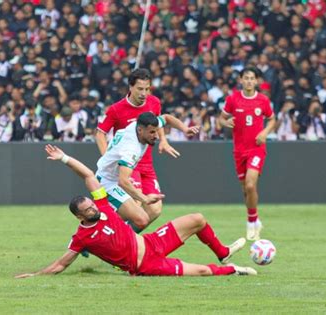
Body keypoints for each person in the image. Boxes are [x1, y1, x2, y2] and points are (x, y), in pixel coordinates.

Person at [15, 144, 254, 278]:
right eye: (88, 210)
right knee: (201, 271)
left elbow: (88, 175)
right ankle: (234, 270)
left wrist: (64, 158)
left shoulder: (103, 206)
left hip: (151, 243)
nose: (93, 209)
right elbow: (60, 265)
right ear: (79, 217)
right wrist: (35, 276)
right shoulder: (82, 237)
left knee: (197, 219)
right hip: (145, 265)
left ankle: (222, 252)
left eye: (91, 204)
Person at [95, 69, 179, 226]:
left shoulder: (154, 102)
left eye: (147, 89)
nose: (144, 93)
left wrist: (163, 140)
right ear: (130, 87)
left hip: (147, 163)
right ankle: (112, 240)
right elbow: (100, 134)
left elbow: (157, 123)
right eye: (140, 89)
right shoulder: (116, 109)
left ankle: (116, 238)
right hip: (128, 164)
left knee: (154, 210)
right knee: (136, 205)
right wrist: (107, 157)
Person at [96, 112, 199, 232]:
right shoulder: (131, 149)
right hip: (107, 182)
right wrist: (145, 199)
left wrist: (185, 129)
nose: (156, 136)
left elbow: (166, 118)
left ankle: (109, 238)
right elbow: (123, 182)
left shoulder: (139, 125)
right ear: (140, 130)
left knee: (139, 217)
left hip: (114, 175)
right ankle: (94, 235)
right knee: (139, 218)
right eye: (152, 132)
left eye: (156, 131)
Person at [219, 67, 276, 241]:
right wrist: (226, 122)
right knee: (246, 190)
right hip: (239, 150)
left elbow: (272, 119)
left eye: (252, 78)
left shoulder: (263, 100)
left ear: (257, 81)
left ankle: (251, 222)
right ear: (241, 80)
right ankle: (255, 218)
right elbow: (221, 118)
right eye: (246, 78)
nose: (249, 81)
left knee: (251, 185)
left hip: (257, 148)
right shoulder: (233, 99)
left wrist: (264, 133)